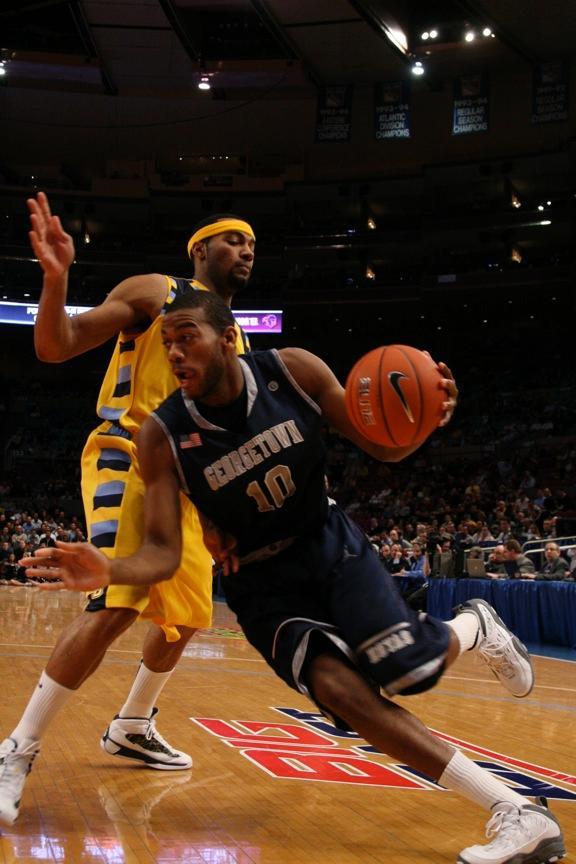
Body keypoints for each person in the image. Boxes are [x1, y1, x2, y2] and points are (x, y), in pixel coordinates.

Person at [23, 291, 565, 864]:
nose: (176, 353)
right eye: (167, 343)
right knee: (341, 693)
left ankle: (474, 626)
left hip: (328, 546)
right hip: (261, 585)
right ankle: (518, 811)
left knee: (411, 672)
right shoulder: (161, 435)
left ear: (228, 338)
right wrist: (108, 567)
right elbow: (161, 552)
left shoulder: (293, 371)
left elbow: (383, 446)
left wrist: (422, 420)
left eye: (188, 337)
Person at [0, 193, 256, 826]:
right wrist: (56, 280)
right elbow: (55, 346)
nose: (247, 251)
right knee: (119, 602)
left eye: (252, 244)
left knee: (190, 616)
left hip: (187, 490)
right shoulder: (157, 291)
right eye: (234, 240)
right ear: (200, 250)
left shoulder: (235, 337)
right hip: (127, 457)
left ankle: (133, 724)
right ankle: (15, 751)